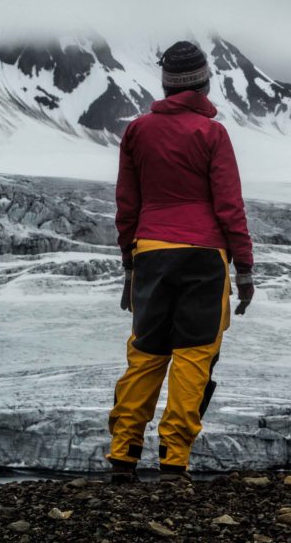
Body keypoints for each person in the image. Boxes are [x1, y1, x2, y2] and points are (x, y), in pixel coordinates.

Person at [107, 41, 255, 483]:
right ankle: (174, 459)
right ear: (204, 84)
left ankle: (123, 454)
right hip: (205, 257)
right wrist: (244, 268)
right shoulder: (212, 134)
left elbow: (126, 204)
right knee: (193, 355)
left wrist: (128, 264)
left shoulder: (137, 131)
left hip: (151, 250)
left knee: (147, 353)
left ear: (166, 84)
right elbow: (230, 205)